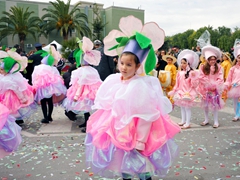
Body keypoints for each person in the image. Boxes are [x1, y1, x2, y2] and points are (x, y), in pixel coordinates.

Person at [84, 15, 180, 180]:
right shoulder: (114, 81)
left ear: (137, 66)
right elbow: (108, 108)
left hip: (138, 136)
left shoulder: (140, 85)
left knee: (143, 169)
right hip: (120, 136)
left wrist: (140, 141)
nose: (124, 67)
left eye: (129, 65)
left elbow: (146, 116)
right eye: (122, 63)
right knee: (124, 169)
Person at [62, 37, 102, 132]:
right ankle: (86, 122)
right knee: (85, 106)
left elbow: (81, 83)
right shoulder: (92, 70)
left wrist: (76, 95)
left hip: (86, 91)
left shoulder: (82, 71)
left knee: (87, 106)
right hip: (87, 91)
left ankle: (88, 124)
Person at [0, 49, 36, 125]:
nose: (0, 71)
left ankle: (14, 121)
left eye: (2, 70)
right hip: (7, 95)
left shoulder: (8, 79)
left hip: (10, 96)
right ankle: (15, 120)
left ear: (7, 70)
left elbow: (16, 89)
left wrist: (22, 98)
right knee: (13, 108)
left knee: (12, 108)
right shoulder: (8, 77)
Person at [32, 49, 67, 124]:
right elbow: (58, 77)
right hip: (51, 87)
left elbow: (34, 77)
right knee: (50, 101)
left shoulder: (38, 67)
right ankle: (49, 116)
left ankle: (45, 117)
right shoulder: (53, 68)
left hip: (41, 86)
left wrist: (34, 85)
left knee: (43, 101)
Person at [168, 50, 201, 129]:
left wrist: (193, 77)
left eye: (184, 63)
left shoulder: (192, 72)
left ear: (189, 64)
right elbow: (177, 83)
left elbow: (194, 85)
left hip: (188, 92)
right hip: (180, 92)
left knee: (187, 108)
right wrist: (174, 90)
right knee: (182, 107)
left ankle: (187, 122)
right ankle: (183, 120)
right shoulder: (179, 73)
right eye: (181, 62)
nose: (182, 64)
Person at [198, 45, 225, 128]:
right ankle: (206, 119)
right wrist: (208, 84)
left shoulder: (219, 67)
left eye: (214, 59)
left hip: (214, 89)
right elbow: (201, 77)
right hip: (205, 89)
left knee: (215, 105)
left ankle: (216, 121)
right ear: (207, 60)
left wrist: (215, 85)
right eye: (211, 59)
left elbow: (220, 77)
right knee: (205, 105)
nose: (213, 61)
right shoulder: (203, 67)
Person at [224, 45, 240, 121]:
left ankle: (238, 114)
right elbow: (229, 78)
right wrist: (227, 85)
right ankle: (236, 114)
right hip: (235, 87)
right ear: (236, 58)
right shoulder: (233, 68)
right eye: (239, 57)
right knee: (235, 102)